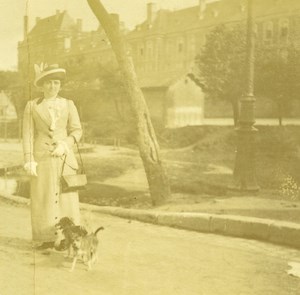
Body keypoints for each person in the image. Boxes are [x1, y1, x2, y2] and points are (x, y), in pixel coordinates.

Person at [22, 64, 83, 250]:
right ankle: (46, 237)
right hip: (42, 157)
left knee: (67, 197)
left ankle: (68, 237)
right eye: (48, 83)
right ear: (41, 85)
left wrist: (65, 144)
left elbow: (77, 130)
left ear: (60, 85)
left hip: (64, 157)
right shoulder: (32, 106)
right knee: (43, 196)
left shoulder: (68, 104)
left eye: (56, 83)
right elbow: (28, 134)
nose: (52, 87)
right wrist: (29, 158)